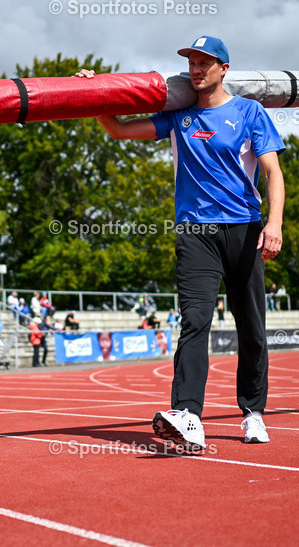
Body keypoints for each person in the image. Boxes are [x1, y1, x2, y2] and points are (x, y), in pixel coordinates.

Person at [84, 35, 285, 451]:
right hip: (195, 234)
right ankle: (188, 415)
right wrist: (93, 94)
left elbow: (272, 173)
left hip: (244, 229)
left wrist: (275, 222)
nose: (196, 69)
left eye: (205, 62)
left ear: (224, 68)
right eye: (192, 62)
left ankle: (253, 414)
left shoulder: (250, 112)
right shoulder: (178, 118)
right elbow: (119, 131)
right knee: (194, 321)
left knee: (251, 328)